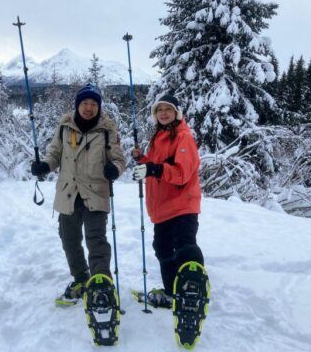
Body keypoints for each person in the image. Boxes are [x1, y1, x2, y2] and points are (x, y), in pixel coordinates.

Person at [31, 83, 126, 305]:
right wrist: (45, 165)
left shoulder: (107, 130)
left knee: (96, 240)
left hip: (95, 193)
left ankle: (101, 282)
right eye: (85, 103)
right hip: (68, 194)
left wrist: (115, 169)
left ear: (98, 107)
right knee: (69, 240)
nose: (89, 107)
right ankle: (82, 279)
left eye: (93, 104)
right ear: (77, 105)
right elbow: (54, 154)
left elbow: (119, 159)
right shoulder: (65, 127)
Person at [131, 94, 204, 308]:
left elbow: (182, 173)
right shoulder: (159, 136)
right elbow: (158, 166)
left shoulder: (183, 137)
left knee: (184, 245)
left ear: (176, 113)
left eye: (168, 109)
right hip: (162, 207)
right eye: (159, 110)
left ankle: (193, 290)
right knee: (162, 248)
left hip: (182, 204)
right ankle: (173, 293)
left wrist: (152, 168)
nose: (163, 113)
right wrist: (143, 161)